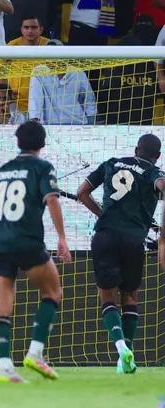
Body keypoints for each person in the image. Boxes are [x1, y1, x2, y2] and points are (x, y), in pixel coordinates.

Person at [0, 121, 70, 384]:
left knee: (3, 303)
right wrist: (62, 237)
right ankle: (35, 352)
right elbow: (51, 199)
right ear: (42, 143)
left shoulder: (1, 171)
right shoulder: (42, 167)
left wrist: (2, 234)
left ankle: (5, 367)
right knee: (52, 292)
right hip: (26, 240)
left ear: (18, 142)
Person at [76, 134, 165, 374]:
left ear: (136, 149)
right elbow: (162, 185)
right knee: (130, 297)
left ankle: (120, 348)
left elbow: (82, 192)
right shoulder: (153, 172)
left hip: (105, 236)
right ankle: (126, 354)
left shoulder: (111, 163)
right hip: (133, 240)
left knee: (107, 297)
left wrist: (102, 214)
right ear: (157, 156)